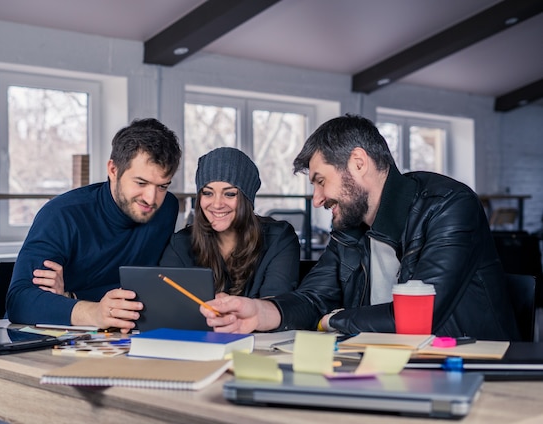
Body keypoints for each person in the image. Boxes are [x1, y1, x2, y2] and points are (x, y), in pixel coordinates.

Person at [201, 114, 520, 341]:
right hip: (390, 366)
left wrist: (334, 320)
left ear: (358, 163)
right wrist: (260, 311)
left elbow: (419, 318)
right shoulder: (350, 228)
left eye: (321, 181)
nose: (317, 199)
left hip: (475, 371)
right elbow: (313, 299)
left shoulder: (449, 205)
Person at [6, 118, 182, 332]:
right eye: (141, 183)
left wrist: (71, 297)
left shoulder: (167, 208)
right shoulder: (62, 214)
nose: (151, 198)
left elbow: (151, 285)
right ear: (113, 170)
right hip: (48, 340)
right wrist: (94, 312)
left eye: (163, 186)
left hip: (124, 335)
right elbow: (19, 301)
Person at [160, 147, 300, 298]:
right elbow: (170, 305)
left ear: (247, 200)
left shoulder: (279, 239)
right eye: (208, 193)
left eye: (230, 194)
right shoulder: (180, 244)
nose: (217, 204)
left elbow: (276, 305)